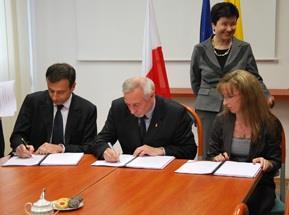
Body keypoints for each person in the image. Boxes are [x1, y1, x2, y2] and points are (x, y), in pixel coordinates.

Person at [190, 2, 274, 158]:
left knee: (235, 150)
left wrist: (266, 95)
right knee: (209, 153)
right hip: (207, 109)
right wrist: (207, 97)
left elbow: (254, 77)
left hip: (238, 106)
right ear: (214, 24)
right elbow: (195, 80)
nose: (229, 28)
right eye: (224, 24)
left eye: (233, 24)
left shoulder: (244, 48)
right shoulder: (200, 49)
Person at [207, 70, 282, 215]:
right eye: (224, 97)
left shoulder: (270, 123)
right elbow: (211, 154)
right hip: (226, 182)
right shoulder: (221, 120)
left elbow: (275, 161)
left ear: (248, 96)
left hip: (258, 186)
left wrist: (267, 163)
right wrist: (216, 158)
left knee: (242, 206)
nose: (225, 102)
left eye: (230, 97)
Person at [91, 76, 197, 161]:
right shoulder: (118, 108)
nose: (131, 111)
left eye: (136, 105)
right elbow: (100, 140)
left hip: (164, 175)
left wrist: (161, 150)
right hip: (129, 173)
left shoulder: (174, 112)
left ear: (151, 96)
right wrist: (105, 151)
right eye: (128, 104)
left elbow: (189, 150)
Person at [10, 63, 97, 158]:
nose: (54, 97)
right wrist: (20, 146)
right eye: (51, 91)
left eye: (61, 92)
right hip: (35, 161)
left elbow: (90, 147)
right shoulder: (33, 102)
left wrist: (61, 148)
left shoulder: (87, 109)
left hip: (70, 166)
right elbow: (17, 135)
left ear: (73, 87)